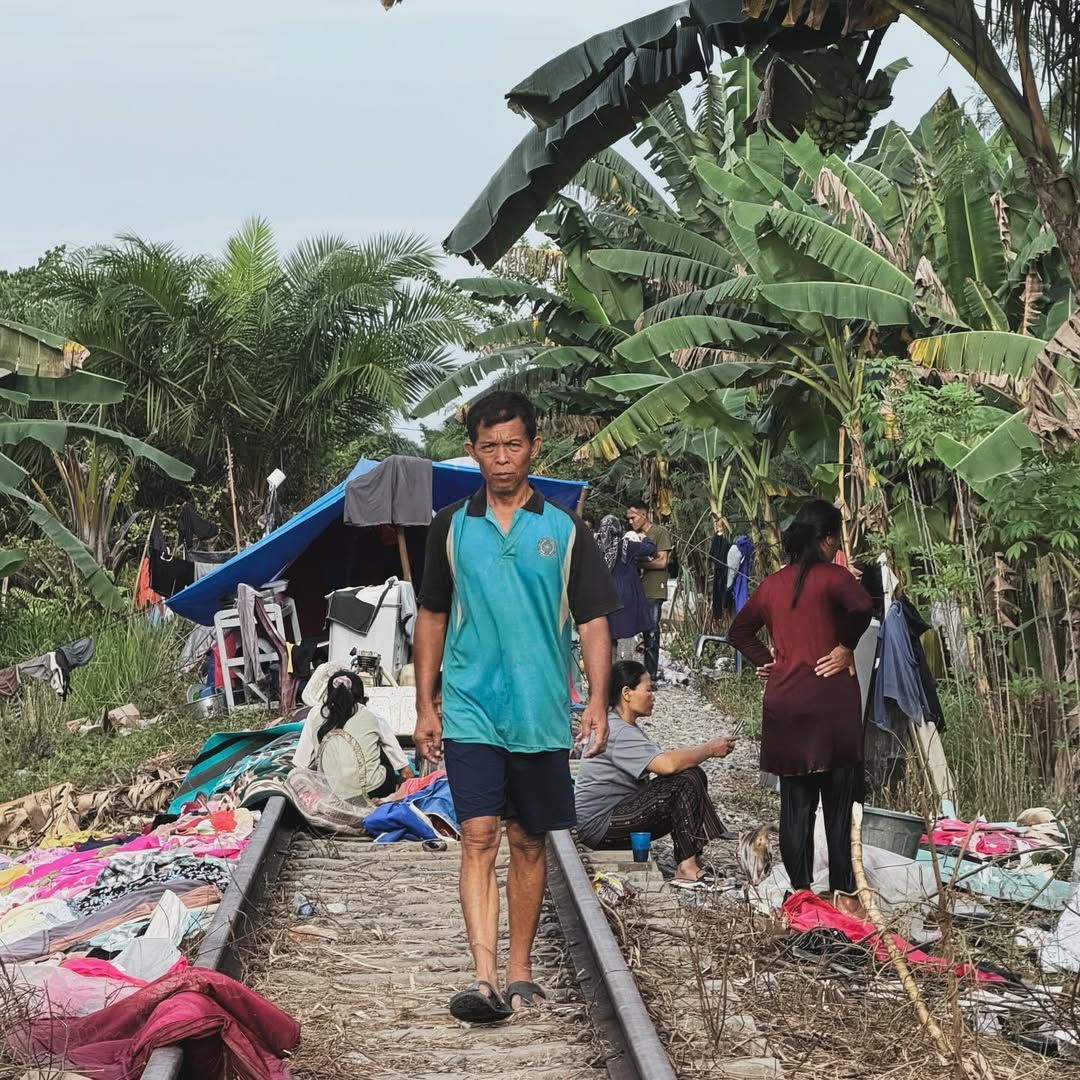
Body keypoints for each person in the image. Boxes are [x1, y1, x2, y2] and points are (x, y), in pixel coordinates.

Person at [413, 389, 619, 1024]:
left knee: (528, 841)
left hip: (540, 711)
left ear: (533, 448)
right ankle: (483, 977)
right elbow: (432, 616)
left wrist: (598, 701)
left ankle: (520, 970)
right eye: (489, 447)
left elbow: (593, 622)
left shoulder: (565, 530)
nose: (501, 458)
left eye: (513, 445)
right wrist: (425, 705)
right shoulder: (451, 527)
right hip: (472, 706)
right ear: (472, 451)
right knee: (478, 835)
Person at [728, 500, 873, 915]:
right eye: (836, 538)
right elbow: (863, 607)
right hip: (831, 703)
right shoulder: (835, 577)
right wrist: (845, 646)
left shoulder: (773, 585)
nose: (837, 545)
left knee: (796, 805)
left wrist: (767, 662)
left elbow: (739, 630)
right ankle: (843, 893)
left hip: (786, 703)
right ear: (826, 539)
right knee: (839, 804)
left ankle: (801, 894)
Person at [575, 660, 736, 888]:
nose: (653, 696)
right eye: (648, 689)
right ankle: (687, 868)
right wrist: (709, 749)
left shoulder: (624, 728)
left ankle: (690, 861)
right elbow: (667, 766)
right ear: (627, 693)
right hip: (599, 827)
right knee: (684, 780)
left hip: (613, 819)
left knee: (692, 774)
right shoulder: (616, 731)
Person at [294, 665, 415, 801]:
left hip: (333, 794)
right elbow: (406, 773)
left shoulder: (315, 715)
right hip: (373, 790)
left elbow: (301, 764)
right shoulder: (371, 715)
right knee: (380, 749)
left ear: (329, 694)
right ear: (361, 696)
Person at [595, 514, 656, 661]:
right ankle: (624, 669)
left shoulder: (596, 547)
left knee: (609, 636)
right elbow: (650, 549)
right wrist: (644, 538)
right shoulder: (625, 545)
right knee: (626, 636)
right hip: (625, 598)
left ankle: (610, 670)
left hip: (605, 598)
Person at [626, 502, 672, 683]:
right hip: (636, 590)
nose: (630, 522)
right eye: (628, 519)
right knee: (636, 631)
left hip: (653, 589)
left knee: (652, 631)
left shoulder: (659, 533)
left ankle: (651, 676)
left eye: (633, 518)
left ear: (643, 515)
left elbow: (662, 562)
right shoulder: (632, 536)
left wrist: (638, 563)